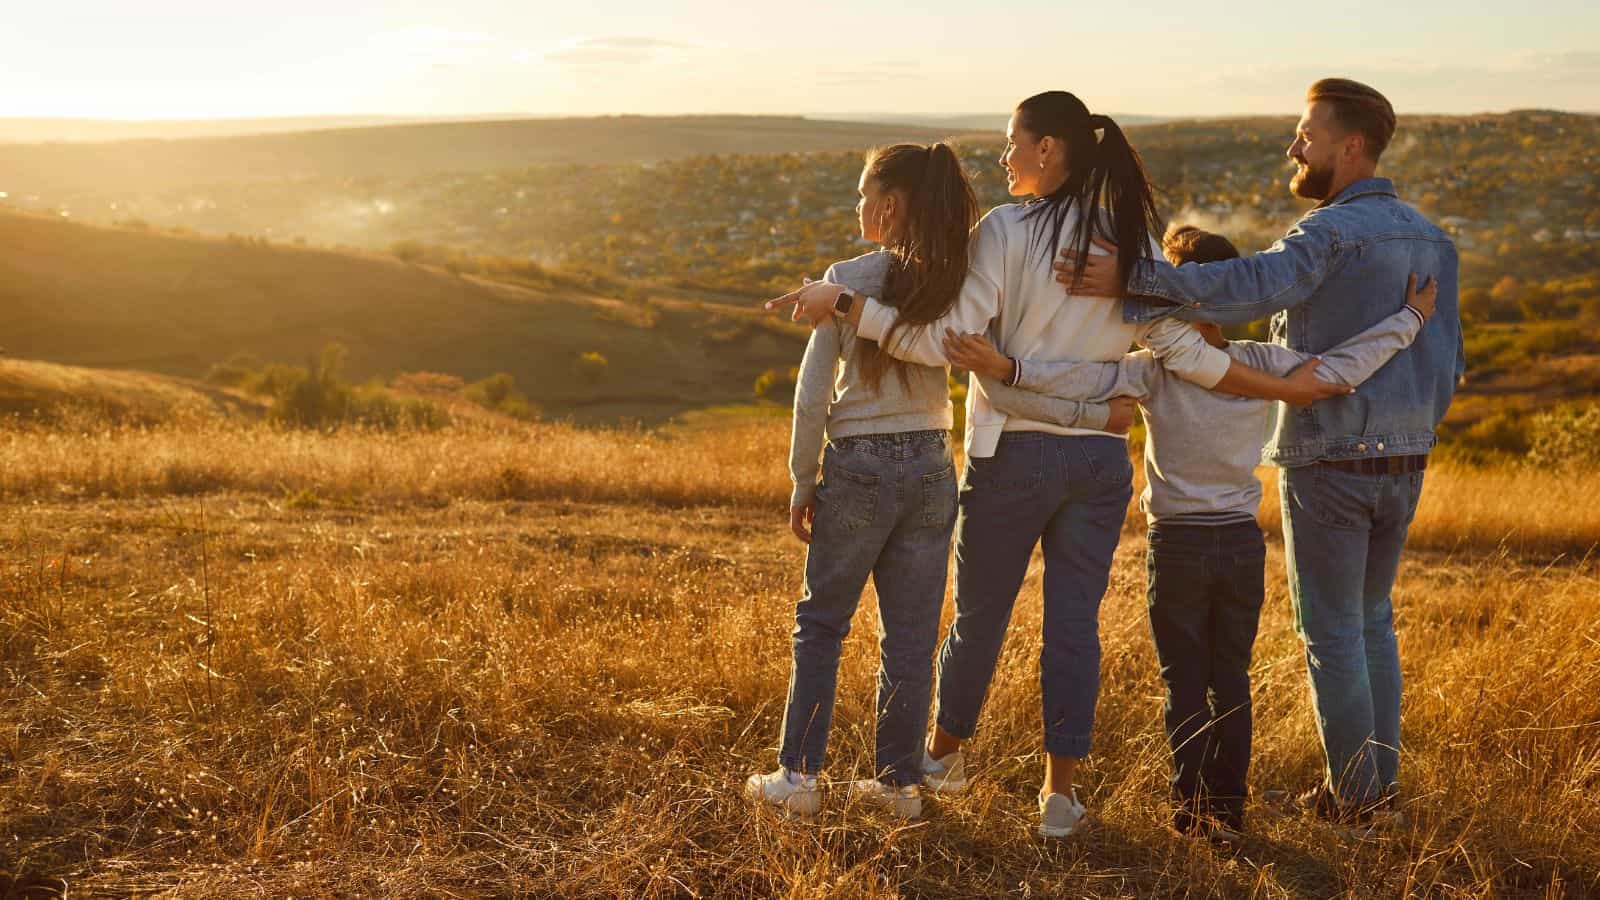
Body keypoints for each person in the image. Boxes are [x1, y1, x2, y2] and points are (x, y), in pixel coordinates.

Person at [768, 91, 1348, 837]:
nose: (1004, 157)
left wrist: (851, 305)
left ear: (1048, 150)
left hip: (1012, 455)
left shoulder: (1005, 231)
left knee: (977, 620)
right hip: (1101, 464)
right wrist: (1277, 385)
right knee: (1073, 628)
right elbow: (1182, 350)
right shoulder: (1123, 236)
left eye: (1014, 142)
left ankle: (941, 761)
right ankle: (1059, 798)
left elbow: (945, 341)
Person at [941, 223, 1439, 841]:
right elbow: (1343, 369)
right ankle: (1226, 811)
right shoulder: (1261, 363)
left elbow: (1077, 378)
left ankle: (1193, 812)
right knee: (1230, 677)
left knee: (1184, 683)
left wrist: (1007, 367)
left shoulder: (1154, 370)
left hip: (1177, 545)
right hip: (1238, 544)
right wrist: (1410, 320)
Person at [1058, 79, 1464, 824]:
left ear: (1350, 148)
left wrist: (1136, 278)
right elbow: (1449, 361)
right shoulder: (1433, 238)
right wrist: (1412, 430)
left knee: (1335, 629)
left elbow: (1249, 287)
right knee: (1372, 622)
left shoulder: (1332, 234)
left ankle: (1362, 801)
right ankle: (1376, 791)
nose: (1294, 148)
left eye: (1306, 136)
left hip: (1332, 457)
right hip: (1406, 461)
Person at [745, 143, 1021, 821]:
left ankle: (800, 777)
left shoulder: (849, 278)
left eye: (863, 194)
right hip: (931, 462)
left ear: (890, 205)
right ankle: (898, 785)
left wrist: (801, 479)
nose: (857, 207)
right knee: (911, 635)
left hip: (860, 463)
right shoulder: (952, 278)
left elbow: (813, 397)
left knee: (822, 624)